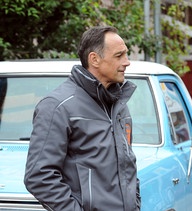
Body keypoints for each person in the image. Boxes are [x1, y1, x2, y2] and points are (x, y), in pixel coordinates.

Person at [24, 26, 140, 210]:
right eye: (119, 56)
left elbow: (127, 166)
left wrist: (135, 204)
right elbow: (39, 176)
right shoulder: (57, 106)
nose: (127, 62)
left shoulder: (119, 105)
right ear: (94, 59)